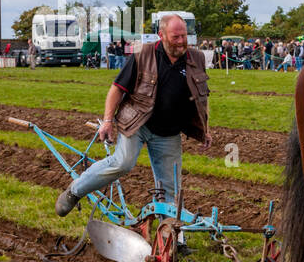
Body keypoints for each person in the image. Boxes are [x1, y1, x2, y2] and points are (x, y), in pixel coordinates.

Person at [55, 15, 211, 217]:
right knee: (122, 163)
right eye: (176, 37)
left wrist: (205, 129)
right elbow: (117, 89)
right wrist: (108, 121)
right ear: (161, 35)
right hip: (138, 123)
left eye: (184, 36)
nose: (182, 42)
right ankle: (75, 191)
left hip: (170, 131)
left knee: (170, 187)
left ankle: (171, 239)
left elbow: (201, 97)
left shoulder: (196, 58)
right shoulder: (143, 55)